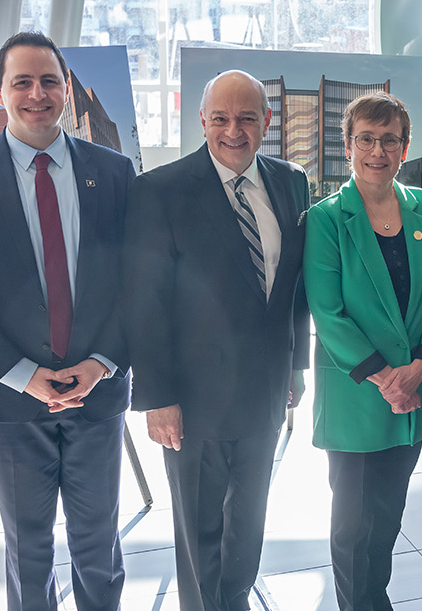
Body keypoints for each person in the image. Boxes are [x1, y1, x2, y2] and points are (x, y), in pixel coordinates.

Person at [0, 32, 136, 611]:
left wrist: (100, 363)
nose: (37, 93)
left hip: (98, 389)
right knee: (29, 547)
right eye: (22, 81)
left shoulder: (115, 172)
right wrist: (24, 374)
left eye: (49, 81)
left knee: (99, 543)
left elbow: (135, 284)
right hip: (9, 397)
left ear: (67, 89)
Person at [122, 69, 311, 611]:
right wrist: (157, 398)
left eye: (247, 118)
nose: (234, 130)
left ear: (267, 122)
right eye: (221, 119)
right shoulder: (159, 190)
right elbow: (144, 304)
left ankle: (235, 600)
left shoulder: (290, 181)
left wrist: (297, 368)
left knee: (248, 526)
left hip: (266, 391)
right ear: (202, 121)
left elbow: (295, 288)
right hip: (193, 399)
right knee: (202, 532)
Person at [302, 91, 422, 611]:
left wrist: (418, 368)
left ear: (405, 146)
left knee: (388, 515)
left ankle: (375, 600)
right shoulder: (326, 219)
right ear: (347, 146)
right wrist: (388, 379)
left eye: (389, 140)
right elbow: (328, 313)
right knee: (352, 525)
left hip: (414, 391)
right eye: (365, 139)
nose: (377, 150)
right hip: (359, 396)